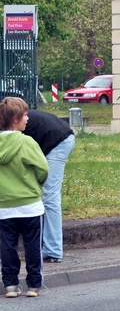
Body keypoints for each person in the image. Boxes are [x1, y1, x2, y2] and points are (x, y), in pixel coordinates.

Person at [0, 97, 49, 298]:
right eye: (26, 115)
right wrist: (37, 184)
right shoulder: (27, 142)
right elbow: (43, 168)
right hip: (29, 204)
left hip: (4, 204)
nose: (28, 118)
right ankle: (33, 285)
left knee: (7, 247)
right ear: (17, 118)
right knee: (32, 245)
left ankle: (10, 285)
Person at [23, 109, 75, 263]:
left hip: (58, 142)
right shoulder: (8, 114)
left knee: (50, 195)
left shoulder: (6, 119)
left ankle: (53, 250)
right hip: (53, 138)